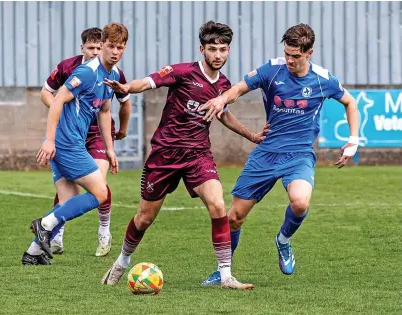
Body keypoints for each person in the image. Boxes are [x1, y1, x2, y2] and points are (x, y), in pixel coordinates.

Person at [100, 21, 270, 290]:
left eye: (223, 49)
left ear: (228, 51)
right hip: (165, 155)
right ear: (202, 49)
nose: (218, 55)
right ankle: (121, 262)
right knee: (144, 217)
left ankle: (226, 275)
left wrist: (251, 136)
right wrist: (126, 88)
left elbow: (223, 114)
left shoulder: (223, 85)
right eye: (212, 49)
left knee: (217, 205)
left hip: (198, 155)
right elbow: (149, 81)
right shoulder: (182, 72)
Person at [200, 23, 360, 286]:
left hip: (299, 154)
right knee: (234, 217)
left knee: (300, 202)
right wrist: (221, 99)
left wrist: (352, 141)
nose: (289, 60)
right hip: (266, 152)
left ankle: (283, 240)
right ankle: (223, 271)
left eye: (295, 56)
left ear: (309, 53)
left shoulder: (323, 79)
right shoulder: (271, 70)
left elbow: (350, 103)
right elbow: (238, 88)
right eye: (287, 53)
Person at [22, 23, 129, 265]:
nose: (114, 52)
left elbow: (104, 110)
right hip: (66, 143)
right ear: (102, 47)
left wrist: (110, 149)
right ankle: (45, 224)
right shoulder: (88, 72)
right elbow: (57, 98)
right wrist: (50, 140)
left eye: (119, 47)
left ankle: (33, 253)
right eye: (110, 46)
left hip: (69, 142)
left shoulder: (111, 75)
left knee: (68, 200)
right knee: (100, 193)